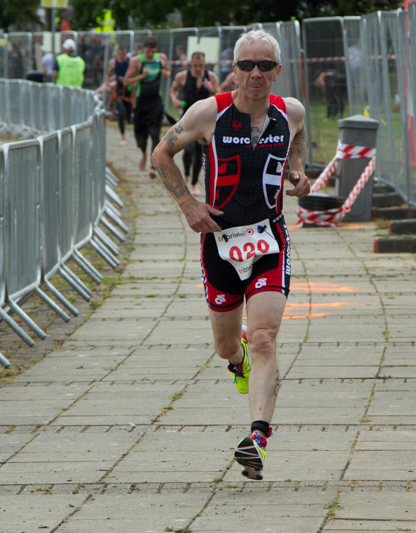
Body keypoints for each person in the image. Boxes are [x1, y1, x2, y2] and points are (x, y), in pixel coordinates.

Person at [151, 29, 310, 481]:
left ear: (277, 71)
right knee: (228, 344)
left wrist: (298, 173)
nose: (255, 73)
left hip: (268, 241)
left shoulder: (291, 111)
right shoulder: (209, 113)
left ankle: (257, 439)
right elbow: (163, 153)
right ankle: (236, 362)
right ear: (234, 70)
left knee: (263, 337)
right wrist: (188, 204)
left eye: (264, 65)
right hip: (219, 243)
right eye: (246, 65)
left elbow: (297, 144)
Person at [169, 51, 220, 195]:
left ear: (204, 64)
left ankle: (193, 183)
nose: (198, 68)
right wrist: (174, 99)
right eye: (196, 65)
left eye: (201, 65)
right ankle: (186, 175)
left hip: (204, 121)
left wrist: (212, 90)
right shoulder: (183, 76)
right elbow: (173, 89)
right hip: (188, 119)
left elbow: (220, 96)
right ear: (191, 64)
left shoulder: (211, 77)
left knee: (199, 155)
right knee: (188, 151)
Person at [124, 36, 171, 178]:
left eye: (152, 51)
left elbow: (168, 72)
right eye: (147, 51)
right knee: (141, 135)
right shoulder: (137, 61)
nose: (150, 54)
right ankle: (144, 154)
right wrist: (141, 76)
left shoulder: (161, 58)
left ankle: (152, 165)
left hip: (156, 100)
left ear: (155, 50)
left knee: (155, 133)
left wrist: (165, 72)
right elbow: (126, 81)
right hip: (142, 101)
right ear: (144, 49)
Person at [107, 45, 134, 145]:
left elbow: (134, 72)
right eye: (120, 53)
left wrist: (134, 81)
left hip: (128, 90)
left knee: (128, 114)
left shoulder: (130, 61)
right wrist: (108, 85)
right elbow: (108, 74)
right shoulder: (113, 63)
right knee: (121, 113)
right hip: (118, 90)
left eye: (124, 53)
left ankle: (124, 128)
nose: (122, 56)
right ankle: (123, 137)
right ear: (117, 52)